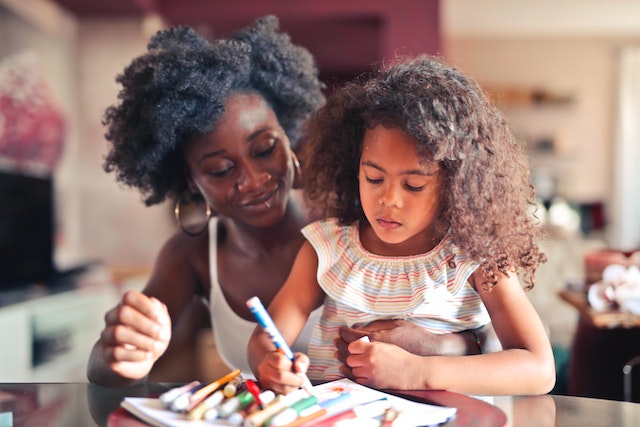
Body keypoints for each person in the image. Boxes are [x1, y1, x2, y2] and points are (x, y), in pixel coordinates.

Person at [87, 17, 491, 387]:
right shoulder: (190, 254)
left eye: (264, 149)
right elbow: (107, 367)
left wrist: (439, 349)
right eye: (220, 169)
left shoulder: (360, 220)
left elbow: (496, 341)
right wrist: (119, 356)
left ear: (288, 135)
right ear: (190, 183)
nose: (254, 179)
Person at [248, 55, 556, 396]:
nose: (389, 199)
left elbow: (539, 369)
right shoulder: (327, 246)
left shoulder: (474, 254)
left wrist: (418, 371)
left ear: (456, 184)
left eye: (413, 185)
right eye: (374, 177)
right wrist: (268, 362)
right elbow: (266, 337)